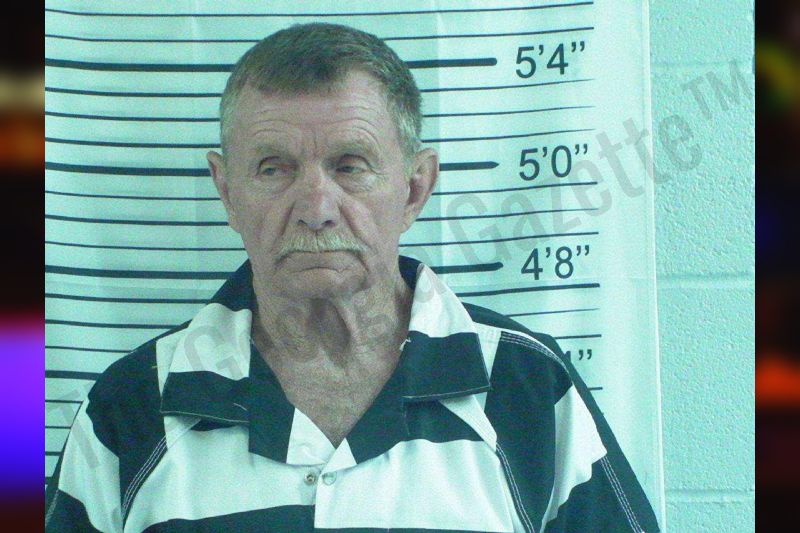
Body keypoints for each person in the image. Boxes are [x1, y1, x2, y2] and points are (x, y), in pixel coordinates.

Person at [45, 22, 660, 533]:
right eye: (273, 168)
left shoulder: (528, 389)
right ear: (227, 191)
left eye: (350, 165)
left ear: (415, 187)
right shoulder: (130, 408)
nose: (316, 208)